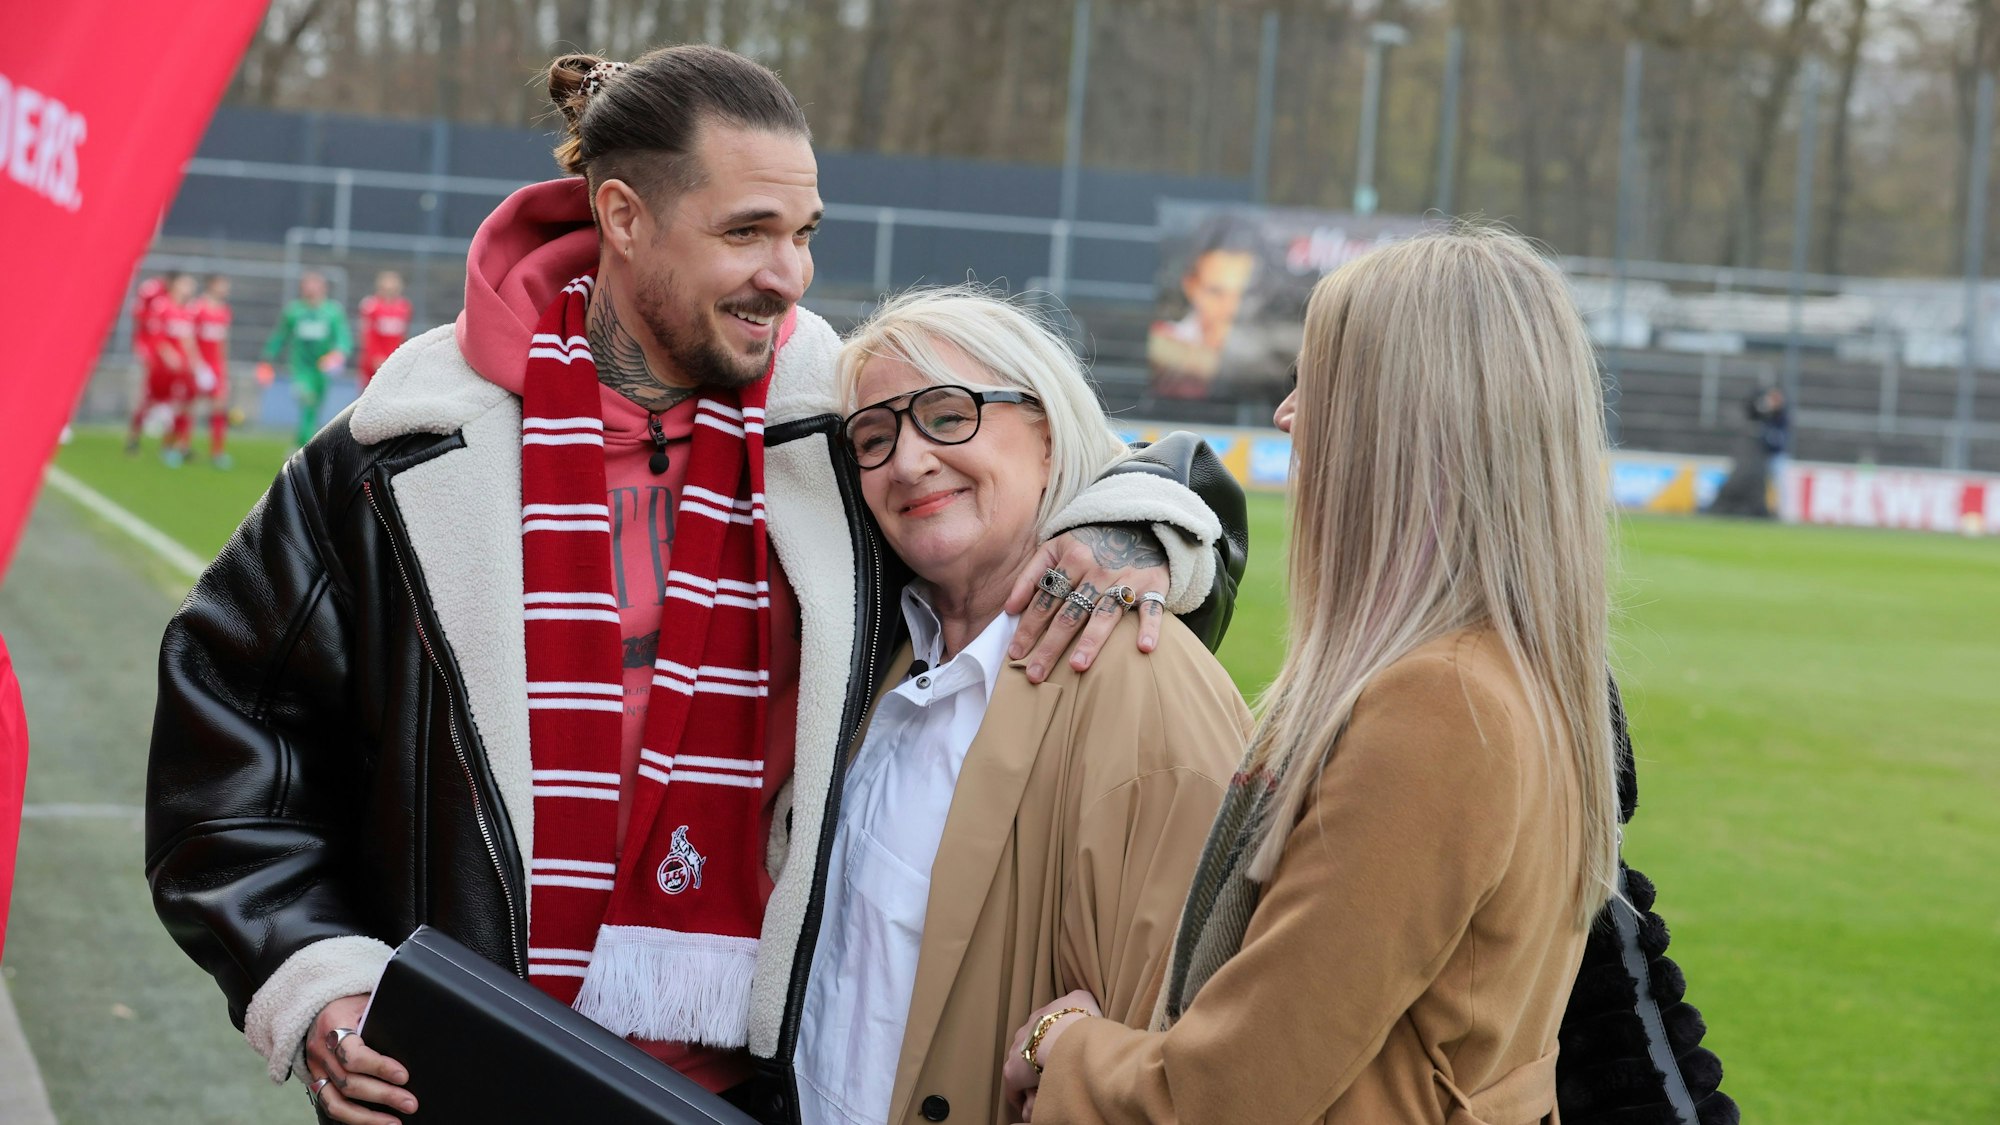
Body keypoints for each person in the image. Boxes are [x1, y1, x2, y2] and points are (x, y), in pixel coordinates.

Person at [144, 45, 1245, 1125]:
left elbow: (1100, 469)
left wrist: (1132, 534)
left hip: (769, 1090)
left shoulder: (839, 426)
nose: (790, 274)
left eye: (804, 233)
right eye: (746, 233)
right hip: (467, 1077)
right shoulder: (396, 456)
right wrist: (315, 979)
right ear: (623, 217)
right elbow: (224, 744)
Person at [1004, 228, 1620, 1124]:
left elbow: (1225, 1097)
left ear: (1406, 421)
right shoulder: (1516, 675)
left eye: (1319, 384)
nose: (1288, 415)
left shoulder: (1440, 705)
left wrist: (1062, 1045)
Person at [794, 290, 1249, 1125]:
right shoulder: (874, 658)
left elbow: (1192, 1051)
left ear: (1047, 432)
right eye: (875, 436)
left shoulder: (1143, 680)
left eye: (946, 413)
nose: (908, 460)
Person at [1147, 224, 1259, 400]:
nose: (1230, 307)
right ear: (1190, 285)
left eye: (1241, 294)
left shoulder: (1259, 352)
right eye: (1216, 292)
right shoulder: (1165, 340)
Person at [258, 270, 353, 448]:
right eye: (307, 285)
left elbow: (343, 338)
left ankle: (302, 442)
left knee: (314, 406)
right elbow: (280, 336)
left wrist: (337, 354)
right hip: (300, 368)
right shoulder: (294, 311)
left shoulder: (332, 312)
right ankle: (305, 446)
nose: (310, 289)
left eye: (315, 285)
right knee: (307, 400)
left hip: (322, 368)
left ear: (323, 288)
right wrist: (267, 359)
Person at [126, 271, 197, 461]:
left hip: (180, 367)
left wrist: (192, 362)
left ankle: (170, 447)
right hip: (161, 366)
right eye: (185, 284)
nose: (189, 288)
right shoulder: (162, 307)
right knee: (149, 401)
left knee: (178, 404)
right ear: (174, 284)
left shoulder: (187, 311)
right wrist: (168, 355)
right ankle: (133, 440)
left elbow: (188, 340)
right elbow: (155, 336)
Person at [191, 273, 234, 468]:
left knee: (218, 406)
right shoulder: (197, 308)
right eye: (222, 284)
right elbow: (189, 338)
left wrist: (224, 369)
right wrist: (197, 365)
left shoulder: (224, 311)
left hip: (216, 366)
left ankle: (217, 452)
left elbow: (222, 343)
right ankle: (179, 447)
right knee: (188, 405)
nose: (225, 289)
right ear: (211, 285)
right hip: (198, 365)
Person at [356, 270, 412, 390]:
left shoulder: (404, 307)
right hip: (372, 361)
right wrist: (374, 357)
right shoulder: (370, 306)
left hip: (393, 358)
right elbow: (367, 335)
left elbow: (402, 336)